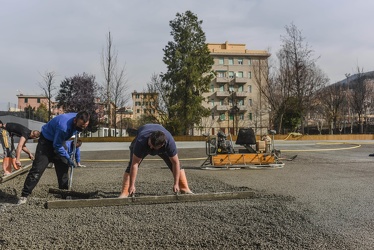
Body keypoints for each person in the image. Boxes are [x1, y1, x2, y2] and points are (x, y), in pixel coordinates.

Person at [17, 111, 90, 205]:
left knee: (63, 167)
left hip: (59, 140)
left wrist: (66, 160)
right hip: (46, 142)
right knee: (37, 169)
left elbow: (60, 142)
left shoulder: (80, 117)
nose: (82, 128)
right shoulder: (64, 127)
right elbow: (57, 146)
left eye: (85, 126)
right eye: (80, 126)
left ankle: (64, 193)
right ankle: (24, 195)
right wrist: (68, 157)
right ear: (75, 120)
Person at [119, 124, 193, 198]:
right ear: (150, 138)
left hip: (161, 147)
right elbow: (135, 164)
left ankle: (184, 188)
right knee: (131, 164)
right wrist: (132, 185)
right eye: (150, 144)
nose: (151, 147)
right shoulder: (141, 141)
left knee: (177, 164)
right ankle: (125, 192)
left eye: (153, 147)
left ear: (162, 145)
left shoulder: (169, 143)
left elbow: (175, 163)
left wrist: (176, 184)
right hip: (143, 141)